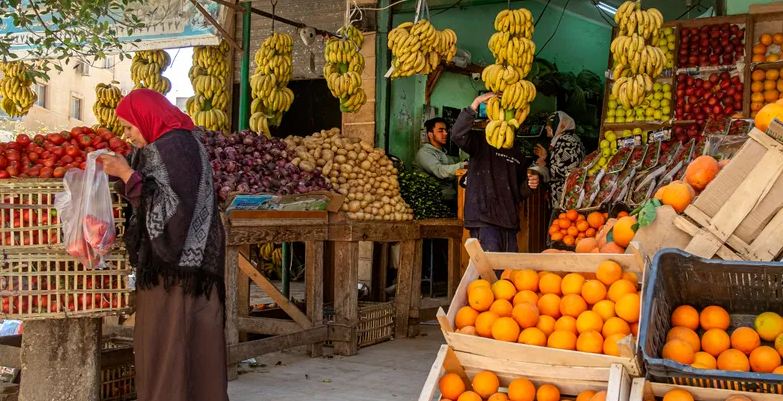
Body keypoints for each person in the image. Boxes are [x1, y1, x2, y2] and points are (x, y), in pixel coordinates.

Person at [98, 89, 229, 401]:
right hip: (188, 268)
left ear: (148, 119)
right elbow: (158, 188)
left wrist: (127, 174)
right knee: (188, 347)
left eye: (130, 127)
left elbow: (172, 210)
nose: (128, 135)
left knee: (169, 347)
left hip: (175, 270)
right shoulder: (173, 144)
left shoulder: (174, 147)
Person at [451, 93, 540, 252]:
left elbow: (518, 192)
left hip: (508, 221)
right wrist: (475, 103)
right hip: (484, 219)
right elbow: (458, 135)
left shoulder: (518, 153)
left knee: (507, 273)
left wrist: (529, 185)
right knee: (488, 272)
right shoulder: (480, 142)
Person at [534, 111, 585, 208]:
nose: (546, 128)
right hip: (564, 194)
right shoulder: (564, 140)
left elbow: (566, 170)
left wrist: (545, 164)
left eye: (549, 125)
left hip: (566, 196)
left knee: (564, 221)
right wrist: (546, 157)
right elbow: (560, 162)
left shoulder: (566, 141)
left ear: (558, 125)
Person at [415, 117, 466, 206]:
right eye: (440, 131)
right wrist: (463, 165)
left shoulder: (445, 155)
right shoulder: (424, 153)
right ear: (430, 134)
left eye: (446, 130)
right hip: (434, 203)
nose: (445, 133)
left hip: (450, 200)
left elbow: (453, 172)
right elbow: (440, 171)